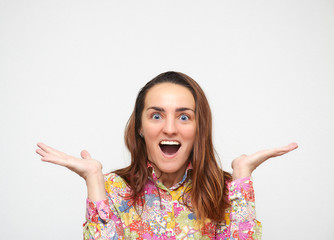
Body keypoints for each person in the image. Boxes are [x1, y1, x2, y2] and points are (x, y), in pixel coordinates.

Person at [36, 71, 298, 239]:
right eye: (156, 115)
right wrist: (94, 179)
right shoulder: (113, 190)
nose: (170, 128)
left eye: (184, 116)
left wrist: (242, 178)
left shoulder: (226, 189)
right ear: (140, 126)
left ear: (199, 128)